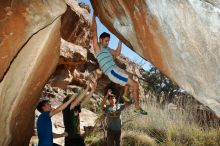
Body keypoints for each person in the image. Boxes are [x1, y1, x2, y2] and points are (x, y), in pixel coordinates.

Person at [92, 14, 147, 115]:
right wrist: (94, 17)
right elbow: (94, 31)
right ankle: (137, 107)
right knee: (135, 85)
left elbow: (117, 53)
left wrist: (120, 40)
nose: (107, 43)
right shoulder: (98, 47)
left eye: (108, 41)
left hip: (115, 69)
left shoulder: (107, 49)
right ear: (101, 40)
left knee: (130, 75)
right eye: (106, 41)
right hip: (112, 72)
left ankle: (125, 95)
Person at [36, 82, 91, 146]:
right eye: (48, 104)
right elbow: (58, 109)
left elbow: (50, 135)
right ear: (43, 107)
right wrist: (71, 99)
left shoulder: (45, 119)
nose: (50, 104)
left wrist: (61, 134)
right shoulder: (44, 116)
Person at [63, 82, 96, 146]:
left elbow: (85, 101)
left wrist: (92, 91)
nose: (74, 100)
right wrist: (87, 88)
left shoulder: (75, 109)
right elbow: (77, 100)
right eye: (71, 99)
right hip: (70, 138)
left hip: (77, 136)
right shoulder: (66, 109)